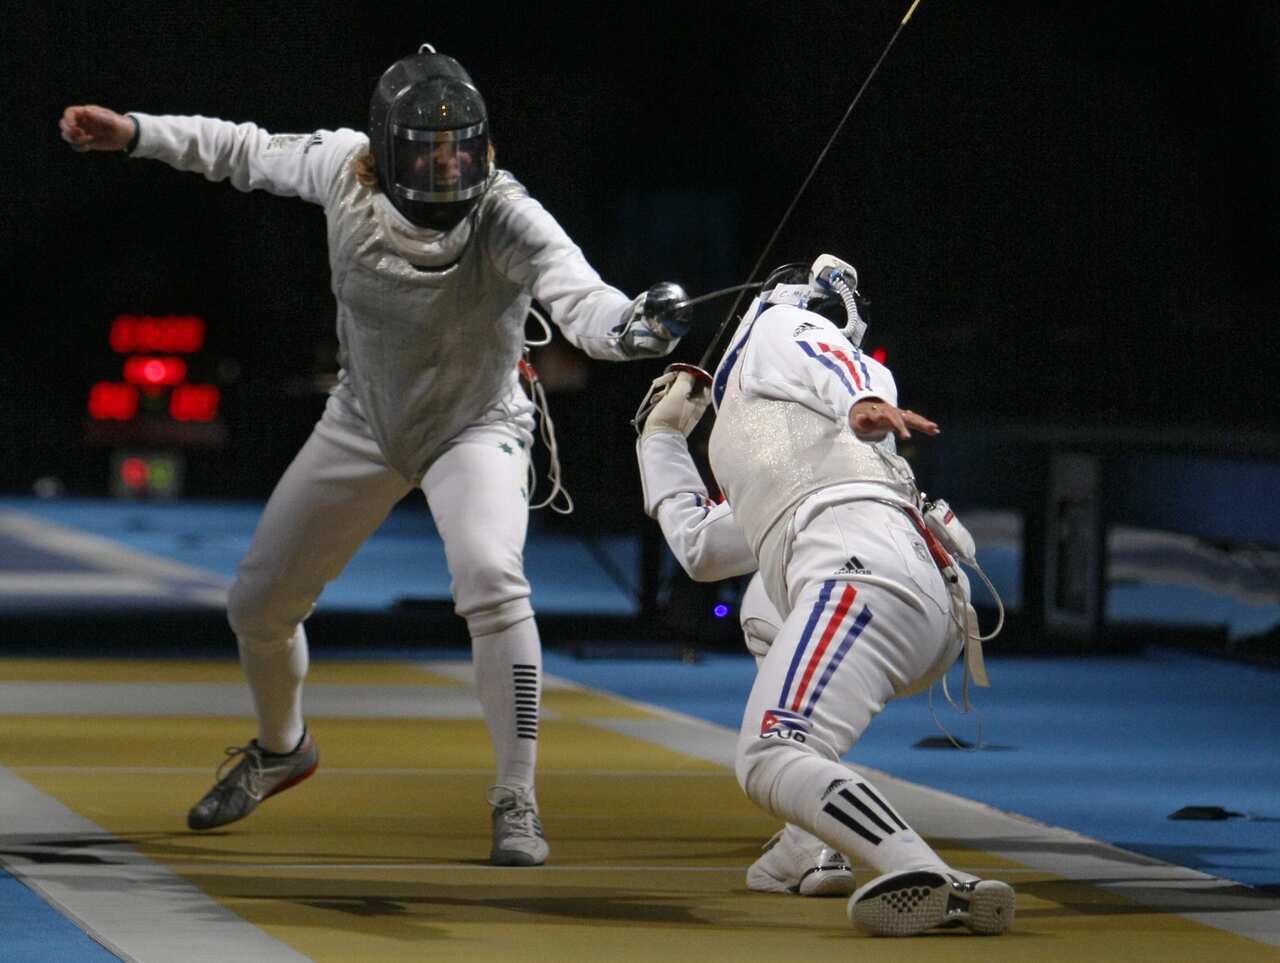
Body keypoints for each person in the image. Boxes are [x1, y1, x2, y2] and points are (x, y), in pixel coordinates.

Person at [59, 44, 690, 868]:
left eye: (457, 147)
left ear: (482, 145)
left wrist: (631, 328)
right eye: (425, 150)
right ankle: (284, 746)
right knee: (256, 605)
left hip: (476, 426)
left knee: (493, 580)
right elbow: (239, 150)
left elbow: (582, 298)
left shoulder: (508, 213)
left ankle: (515, 795)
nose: (442, 164)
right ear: (385, 150)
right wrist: (137, 132)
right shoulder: (338, 166)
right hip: (364, 420)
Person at [634, 255, 1014, 935]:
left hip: (863, 574)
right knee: (760, 604)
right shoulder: (773, 446)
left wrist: (863, 399)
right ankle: (805, 843)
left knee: (769, 753)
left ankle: (930, 872)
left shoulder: (778, 328)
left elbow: (828, 356)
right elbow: (698, 547)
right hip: (896, 592)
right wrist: (660, 439)